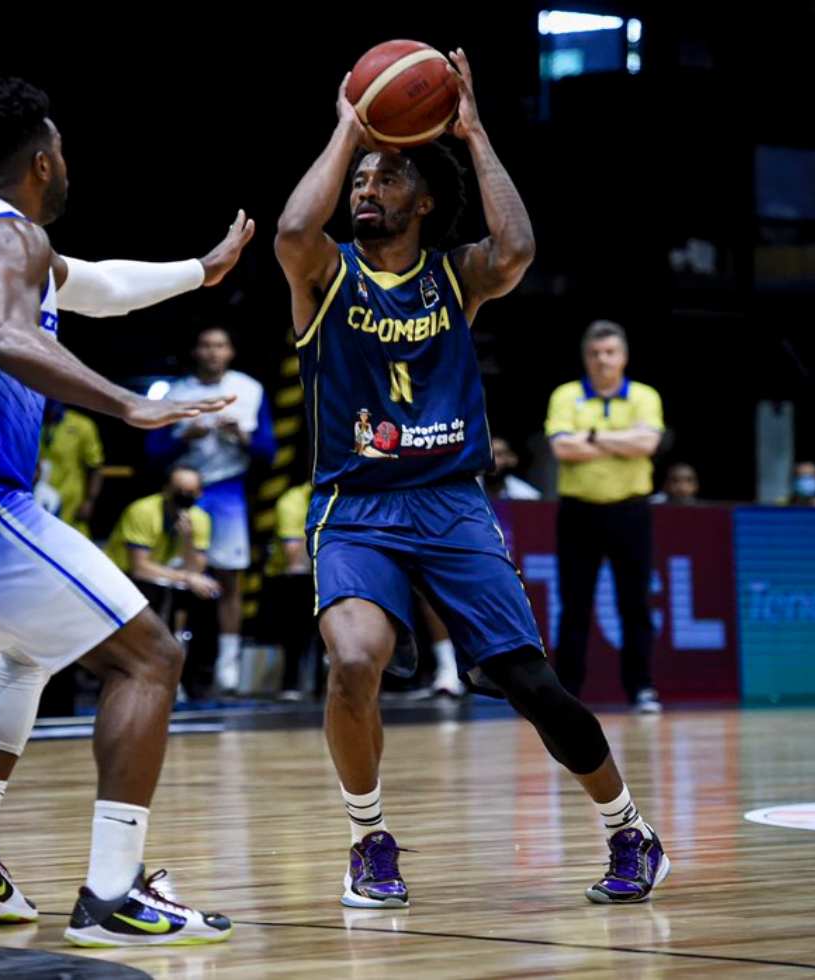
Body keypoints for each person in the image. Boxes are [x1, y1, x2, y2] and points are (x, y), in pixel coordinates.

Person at [0, 77, 254, 947]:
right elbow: (8, 338)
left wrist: (201, 270)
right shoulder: (11, 235)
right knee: (151, 656)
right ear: (42, 162)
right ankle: (112, 896)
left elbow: (100, 287)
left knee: (29, 650)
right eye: (62, 150)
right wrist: (127, 402)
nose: (67, 163)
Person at [274, 51, 668, 910]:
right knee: (353, 660)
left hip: (451, 504)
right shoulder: (328, 274)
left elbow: (517, 247)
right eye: (360, 178)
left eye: (387, 176)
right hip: (355, 506)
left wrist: (476, 132)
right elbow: (293, 231)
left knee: (532, 687)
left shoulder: (454, 277)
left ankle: (630, 828)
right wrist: (349, 129)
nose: (366, 188)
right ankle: (369, 841)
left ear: (424, 201)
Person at [546, 320, 665, 715]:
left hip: (630, 512)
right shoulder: (566, 395)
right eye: (595, 354)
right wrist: (622, 442)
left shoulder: (644, 396)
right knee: (574, 605)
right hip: (579, 513)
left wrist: (592, 437)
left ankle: (641, 688)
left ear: (624, 357)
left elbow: (648, 442)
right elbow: (562, 449)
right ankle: (568, 692)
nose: (603, 361)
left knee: (635, 604)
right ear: (585, 358)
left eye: (610, 353)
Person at [150, 326, 275, 693]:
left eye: (220, 345)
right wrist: (183, 437)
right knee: (178, 575)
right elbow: (152, 452)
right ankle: (172, 664)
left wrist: (241, 435)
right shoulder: (176, 393)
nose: (212, 352)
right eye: (205, 345)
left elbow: (268, 452)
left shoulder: (249, 389)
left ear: (230, 351)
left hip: (227, 489)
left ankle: (227, 663)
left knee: (229, 576)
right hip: (185, 487)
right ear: (196, 351)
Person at [105, 466, 222, 601]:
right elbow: (139, 568)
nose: (184, 495)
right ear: (166, 489)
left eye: (190, 492)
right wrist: (187, 577)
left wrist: (188, 539)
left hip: (161, 578)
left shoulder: (200, 518)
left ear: (199, 493)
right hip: (121, 576)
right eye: (179, 491)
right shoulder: (143, 511)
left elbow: (196, 570)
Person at [265, 480, 318, 699]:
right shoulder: (291, 501)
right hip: (290, 576)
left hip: (327, 569)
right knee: (299, 602)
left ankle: (325, 684)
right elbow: (295, 557)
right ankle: (291, 680)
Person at [35, 400, 105, 536]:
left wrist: (89, 500)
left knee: (73, 539)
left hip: (71, 500)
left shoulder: (82, 425)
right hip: (38, 497)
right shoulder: (32, 421)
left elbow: (95, 467)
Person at [489, 435, 540, 500]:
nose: (492, 460)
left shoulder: (527, 497)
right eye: (488, 455)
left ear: (512, 459)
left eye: (498, 454)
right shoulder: (476, 489)